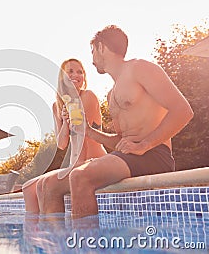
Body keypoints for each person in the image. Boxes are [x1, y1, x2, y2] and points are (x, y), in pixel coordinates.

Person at [68, 25, 194, 218]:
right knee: (50, 184)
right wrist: (90, 133)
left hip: (154, 154)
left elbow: (183, 110)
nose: (91, 60)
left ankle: (85, 247)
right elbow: (122, 140)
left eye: (92, 51)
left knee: (80, 177)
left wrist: (145, 144)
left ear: (101, 47)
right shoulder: (112, 93)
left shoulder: (139, 68)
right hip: (129, 156)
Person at [22, 58, 106, 213]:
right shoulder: (57, 106)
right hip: (76, 163)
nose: (76, 75)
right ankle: (35, 236)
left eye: (80, 72)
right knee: (28, 188)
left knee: (46, 185)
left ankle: (54, 235)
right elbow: (61, 144)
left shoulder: (88, 96)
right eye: (70, 71)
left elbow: (82, 135)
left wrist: (75, 168)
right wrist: (65, 121)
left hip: (94, 160)